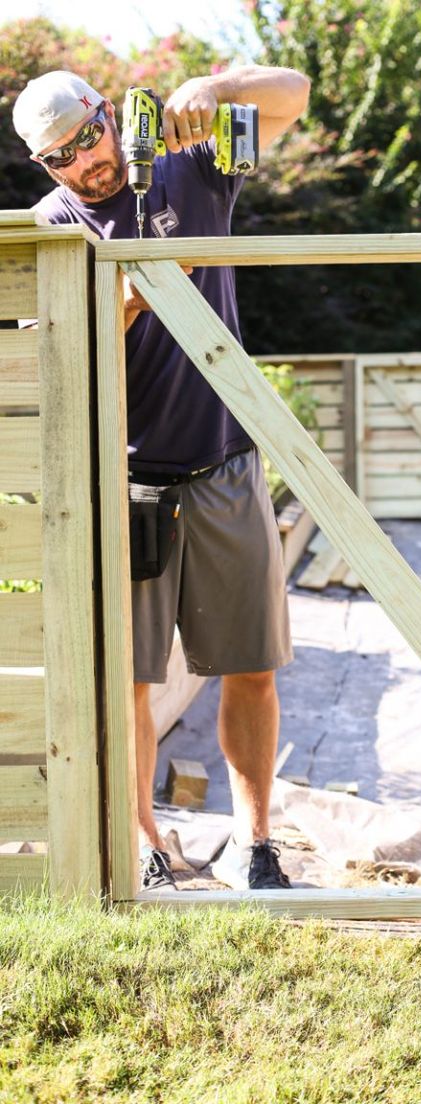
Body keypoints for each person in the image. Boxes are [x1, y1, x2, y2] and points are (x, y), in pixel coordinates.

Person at [12, 65, 311, 892]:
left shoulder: (187, 166)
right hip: (130, 483)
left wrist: (216, 88)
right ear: (46, 168)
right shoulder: (51, 228)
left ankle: (257, 845)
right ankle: (147, 842)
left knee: (250, 666)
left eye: (87, 137)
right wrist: (129, 300)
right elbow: (51, 354)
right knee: (133, 681)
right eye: (60, 157)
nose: (85, 163)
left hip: (224, 460)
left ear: (112, 116)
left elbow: (294, 94)